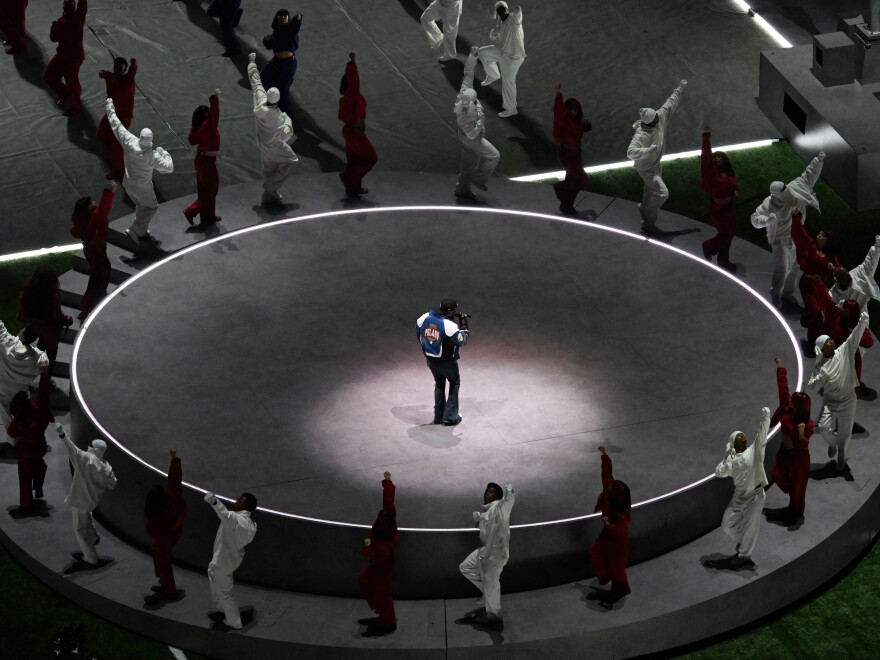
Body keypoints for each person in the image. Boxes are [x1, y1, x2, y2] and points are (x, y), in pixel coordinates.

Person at [750, 152, 826, 308]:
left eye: (786, 189)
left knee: (794, 265)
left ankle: (787, 293)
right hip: (779, 241)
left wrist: (818, 160)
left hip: (796, 237)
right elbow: (754, 219)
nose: (787, 192)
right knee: (781, 268)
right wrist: (767, 220)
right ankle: (776, 294)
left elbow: (808, 175)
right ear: (775, 196)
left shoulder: (794, 191)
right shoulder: (768, 204)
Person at [105, 97, 174, 245]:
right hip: (143, 187)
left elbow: (116, 124)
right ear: (150, 140)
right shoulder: (152, 156)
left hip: (128, 184)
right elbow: (169, 168)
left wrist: (109, 104)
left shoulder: (129, 141)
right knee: (151, 207)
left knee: (142, 206)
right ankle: (135, 230)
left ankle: (141, 230)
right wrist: (164, 153)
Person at [709, 406, 771, 568]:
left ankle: (744, 555)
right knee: (727, 523)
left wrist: (766, 417)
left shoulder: (754, 451)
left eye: (742, 434)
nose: (742, 435)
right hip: (740, 495)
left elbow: (762, 435)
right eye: (738, 435)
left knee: (751, 526)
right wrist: (725, 458)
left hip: (755, 494)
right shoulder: (730, 461)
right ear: (733, 443)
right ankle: (742, 543)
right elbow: (718, 472)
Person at [810, 310, 871, 473]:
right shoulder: (820, 366)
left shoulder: (844, 351)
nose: (832, 341)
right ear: (822, 349)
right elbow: (810, 386)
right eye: (828, 341)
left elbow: (854, 337)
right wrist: (819, 378)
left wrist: (862, 322)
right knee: (823, 427)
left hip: (848, 400)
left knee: (845, 432)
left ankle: (842, 460)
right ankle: (832, 443)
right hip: (830, 402)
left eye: (830, 340)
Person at [626, 80, 687, 235]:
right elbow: (630, 152)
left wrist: (679, 88)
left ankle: (648, 225)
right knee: (662, 193)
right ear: (650, 123)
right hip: (646, 169)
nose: (659, 120)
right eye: (655, 120)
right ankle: (644, 210)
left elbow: (669, 104)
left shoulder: (658, 117)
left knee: (649, 194)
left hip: (655, 164)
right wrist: (647, 150)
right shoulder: (641, 134)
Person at [56, 423, 117, 566]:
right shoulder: (107, 468)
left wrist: (62, 433)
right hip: (92, 500)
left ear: (95, 450)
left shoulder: (87, 460)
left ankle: (91, 558)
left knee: (79, 528)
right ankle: (93, 535)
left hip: (80, 499)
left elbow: (72, 449)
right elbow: (113, 483)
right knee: (87, 517)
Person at [459, 482, 515, 627]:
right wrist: (479, 519)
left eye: (491, 492)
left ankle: (494, 617)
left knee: (492, 585)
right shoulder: (486, 511)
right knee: (465, 567)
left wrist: (510, 492)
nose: (486, 493)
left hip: (495, 554)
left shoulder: (499, 507)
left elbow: (507, 502)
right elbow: (484, 524)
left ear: (497, 496)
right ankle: (486, 593)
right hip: (485, 551)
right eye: (486, 491)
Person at [247, 52, 298, 207]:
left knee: (271, 169)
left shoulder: (260, 101)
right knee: (291, 160)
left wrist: (252, 62)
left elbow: (255, 82)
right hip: (275, 145)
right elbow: (286, 134)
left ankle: (270, 196)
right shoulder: (278, 118)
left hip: (262, 142)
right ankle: (270, 188)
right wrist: (287, 120)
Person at [768, 357, 813, 526]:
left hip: (799, 458)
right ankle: (791, 500)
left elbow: (803, 444)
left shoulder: (806, 425)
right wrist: (781, 368)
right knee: (776, 474)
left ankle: (795, 512)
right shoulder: (787, 407)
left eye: (794, 402)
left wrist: (801, 433)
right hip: (783, 454)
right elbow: (783, 389)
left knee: (798, 488)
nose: (791, 402)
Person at [204, 491, 257, 630]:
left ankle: (234, 621)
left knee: (225, 593)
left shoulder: (234, 518)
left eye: (240, 500)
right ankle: (223, 606)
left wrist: (214, 501)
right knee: (214, 577)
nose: (236, 501)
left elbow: (225, 514)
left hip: (223, 560)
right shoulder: (251, 525)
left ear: (247, 506)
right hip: (230, 559)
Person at [790, 207, 840, 350]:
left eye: (822, 235)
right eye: (819, 234)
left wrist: (833, 269)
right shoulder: (809, 245)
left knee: (820, 316)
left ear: (827, 241)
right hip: (807, 284)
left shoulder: (830, 257)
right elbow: (799, 233)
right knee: (816, 311)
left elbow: (839, 270)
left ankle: (812, 341)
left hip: (820, 288)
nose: (819, 236)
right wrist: (796, 216)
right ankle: (805, 320)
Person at [453, 46, 499, 200]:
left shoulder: (464, 92)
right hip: (472, 138)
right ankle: (478, 178)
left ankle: (462, 189)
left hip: (467, 138)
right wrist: (480, 120)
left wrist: (473, 56)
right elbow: (472, 135)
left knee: (469, 164)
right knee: (493, 155)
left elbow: (468, 73)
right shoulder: (464, 116)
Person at [415, 298, 469, 425]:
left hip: (430, 360)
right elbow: (463, 340)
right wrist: (464, 324)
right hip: (447, 362)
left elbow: (419, 334)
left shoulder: (423, 318)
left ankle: (438, 416)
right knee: (454, 382)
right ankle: (450, 416)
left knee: (439, 384)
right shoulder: (449, 326)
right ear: (451, 311)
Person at [144, 450, 187, 605]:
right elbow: (175, 479)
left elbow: (151, 531)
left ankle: (169, 591)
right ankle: (163, 581)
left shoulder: (155, 516)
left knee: (164, 563)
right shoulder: (172, 496)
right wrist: (174, 460)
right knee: (158, 554)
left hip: (164, 538)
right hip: (173, 534)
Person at [5, 373, 53, 516]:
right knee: (39, 465)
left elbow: (11, 433)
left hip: (26, 450)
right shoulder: (39, 410)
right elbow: (43, 393)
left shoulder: (18, 421)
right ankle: (38, 486)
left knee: (24, 477)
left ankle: (26, 505)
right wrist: (44, 372)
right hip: (40, 446)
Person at [70, 182, 117, 321]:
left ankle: (89, 301)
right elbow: (104, 209)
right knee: (101, 274)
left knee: (97, 274)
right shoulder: (95, 215)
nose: (94, 202)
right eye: (92, 202)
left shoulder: (79, 218)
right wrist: (110, 191)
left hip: (89, 250)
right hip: (97, 250)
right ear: (88, 206)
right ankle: (91, 301)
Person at [589, 447, 631, 601]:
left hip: (617, 543)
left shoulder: (622, 515)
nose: (609, 485)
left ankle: (620, 590)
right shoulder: (609, 490)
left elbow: (622, 533)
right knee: (595, 552)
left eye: (612, 487)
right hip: (607, 534)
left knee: (617, 568)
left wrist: (609, 525)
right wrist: (604, 455)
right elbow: (607, 473)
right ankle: (605, 577)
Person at [359, 471, 397, 637]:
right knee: (363, 580)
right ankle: (379, 609)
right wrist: (387, 483)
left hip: (381, 567)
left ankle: (387, 622)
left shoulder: (386, 542)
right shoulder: (388, 516)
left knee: (383, 594)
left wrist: (368, 546)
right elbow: (388, 501)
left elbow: (374, 554)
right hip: (377, 564)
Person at [17, 266, 72, 374]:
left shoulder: (27, 292)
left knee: (41, 346)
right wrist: (67, 320)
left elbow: (21, 312)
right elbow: (57, 316)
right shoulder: (52, 296)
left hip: (35, 325)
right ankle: (44, 385)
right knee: (50, 357)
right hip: (50, 329)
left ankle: (34, 372)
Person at [338, 52, 378, 199]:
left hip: (349, 132)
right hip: (356, 134)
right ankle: (348, 177)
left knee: (355, 161)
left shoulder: (346, 99)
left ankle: (353, 188)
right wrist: (352, 63)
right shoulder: (352, 95)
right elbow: (355, 81)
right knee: (371, 158)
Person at [699, 126, 738, 272]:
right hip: (718, 211)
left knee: (730, 234)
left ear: (725, 159)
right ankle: (708, 245)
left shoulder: (728, 174)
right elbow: (706, 155)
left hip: (729, 208)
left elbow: (732, 185)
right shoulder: (711, 173)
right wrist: (706, 136)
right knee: (726, 234)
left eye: (719, 156)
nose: (716, 157)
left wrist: (734, 191)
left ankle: (723, 259)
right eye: (715, 156)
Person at [477, 2, 525, 118]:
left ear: (507, 9)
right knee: (482, 52)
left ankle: (511, 108)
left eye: (502, 9)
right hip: (503, 52)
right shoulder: (502, 25)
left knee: (508, 82)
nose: (501, 12)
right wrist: (493, 35)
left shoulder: (514, 19)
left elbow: (518, 16)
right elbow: (500, 41)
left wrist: (518, 10)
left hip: (513, 58)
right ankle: (493, 75)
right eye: (498, 11)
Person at [183, 90, 222, 229]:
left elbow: (191, 140)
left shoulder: (198, 127)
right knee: (212, 190)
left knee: (204, 190)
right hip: (207, 163)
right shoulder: (208, 126)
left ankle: (208, 217)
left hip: (201, 160)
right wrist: (215, 99)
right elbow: (214, 116)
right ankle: (191, 210)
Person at [0, 321, 48, 433]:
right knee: (20, 414)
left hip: (2, 385)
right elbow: (43, 362)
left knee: (4, 412)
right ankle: (21, 434)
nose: (20, 330)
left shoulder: (6, 342)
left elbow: (1, 329)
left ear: (23, 333)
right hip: (19, 391)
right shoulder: (36, 357)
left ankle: (12, 438)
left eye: (22, 330)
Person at [552, 83, 592, 217]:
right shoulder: (564, 120)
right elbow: (558, 113)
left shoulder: (577, 122)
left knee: (572, 180)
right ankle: (560, 187)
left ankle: (566, 207)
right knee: (582, 181)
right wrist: (558, 96)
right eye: (570, 109)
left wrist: (585, 125)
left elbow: (579, 126)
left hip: (575, 155)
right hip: (568, 156)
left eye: (575, 109)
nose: (573, 111)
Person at [42, 0, 88, 115]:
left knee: (72, 82)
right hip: (62, 54)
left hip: (73, 57)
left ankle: (76, 106)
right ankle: (65, 95)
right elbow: (54, 39)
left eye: (70, 3)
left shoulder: (78, 18)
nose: (68, 5)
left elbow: (83, 7)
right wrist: (54, 30)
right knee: (49, 75)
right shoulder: (62, 20)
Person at [96, 57, 138, 179]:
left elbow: (132, 72)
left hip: (123, 117)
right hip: (113, 113)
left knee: (117, 146)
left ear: (125, 69)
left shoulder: (128, 81)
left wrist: (133, 65)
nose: (117, 69)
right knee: (102, 132)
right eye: (116, 67)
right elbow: (104, 73)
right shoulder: (112, 77)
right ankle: (111, 145)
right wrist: (102, 73)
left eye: (120, 68)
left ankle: (120, 171)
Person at [260, 9, 302, 118]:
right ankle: (277, 93)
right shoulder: (276, 32)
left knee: (283, 92)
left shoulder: (290, 30)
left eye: (284, 16)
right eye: (280, 16)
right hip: (276, 62)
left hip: (288, 64)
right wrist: (267, 40)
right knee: (264, 77)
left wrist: (297, 19)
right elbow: (270, 46)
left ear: (288, 18)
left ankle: (288, 116)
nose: (282, 18)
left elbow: (294, 26)